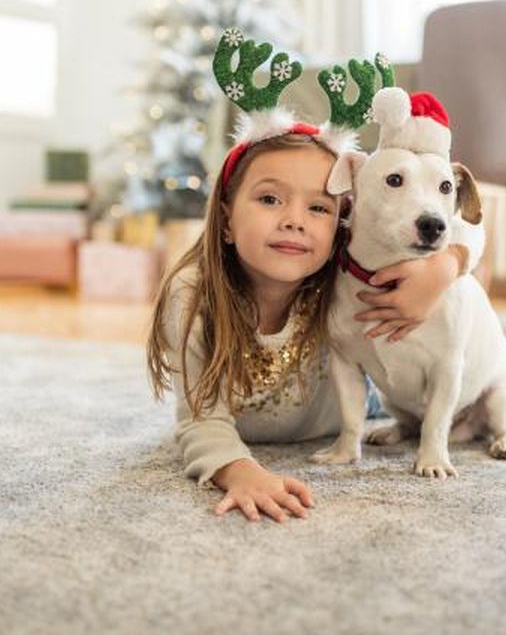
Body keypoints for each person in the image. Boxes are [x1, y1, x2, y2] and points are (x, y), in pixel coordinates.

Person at [146, 128, 484, 523]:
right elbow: (201, 419)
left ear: (344, 219)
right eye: (269, 199)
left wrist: (446, 267)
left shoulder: (338, 264)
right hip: (326, 405)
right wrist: (238, 471)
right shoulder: (192, 297)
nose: (294, 221)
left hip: (364, 399)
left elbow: (469, 227)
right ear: (225, 220)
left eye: (319, 208)